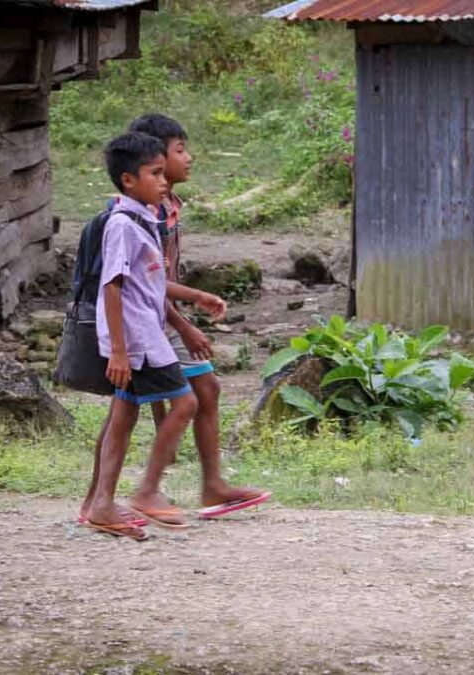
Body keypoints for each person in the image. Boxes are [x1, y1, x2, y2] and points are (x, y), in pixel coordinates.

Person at [127, 113, 269, 517]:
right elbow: (146, 282)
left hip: (160, 316)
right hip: (150, 319)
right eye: (180, 150)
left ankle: (209, 486)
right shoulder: (146, 213)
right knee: (161, 404)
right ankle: (137, 494)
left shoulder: (167, 204)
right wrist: (185, 323)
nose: (189, 158)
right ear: (155, 157)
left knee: (201, 392)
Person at [83, 132, 198, 540]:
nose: (164, 181)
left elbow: (149, 284)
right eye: (154, 174)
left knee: (124, 415)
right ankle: (147, 491)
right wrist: (118, 350)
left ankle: (100, 504)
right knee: (185, 403)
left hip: (141, 335)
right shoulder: (121, 226)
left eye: (163, 174)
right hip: (138, 341)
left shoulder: (142, 219)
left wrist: (194, 304)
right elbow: (110, 287)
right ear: (129, 180)